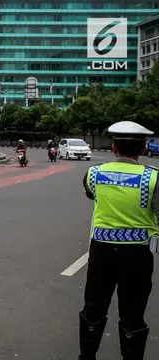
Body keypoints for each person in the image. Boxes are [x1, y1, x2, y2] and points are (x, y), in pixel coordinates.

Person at [79, 121, 158, 360]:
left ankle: (87, 356)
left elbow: (91, 193)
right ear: (143, 149)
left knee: (94, 307)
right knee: (133, 312)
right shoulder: (153, 178)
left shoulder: (94, 173)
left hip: (101, 252)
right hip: (137, 254)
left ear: (113, 147)